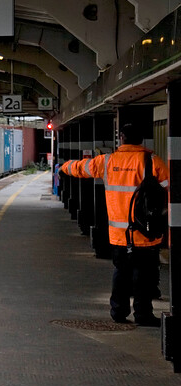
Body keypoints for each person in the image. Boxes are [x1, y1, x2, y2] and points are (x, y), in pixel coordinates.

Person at [60, 123, 168, 327]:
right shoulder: (151, 162)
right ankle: (143, 315)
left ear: (121, 139)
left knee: (121, 272)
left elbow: (81, 168)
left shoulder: (107, 161)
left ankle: (118, 311)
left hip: (119, 234)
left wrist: (63, 167)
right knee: (143, 276)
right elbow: (169, 188)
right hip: (145, 232)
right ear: (141, 140)